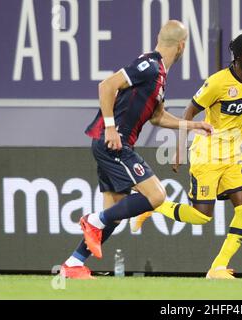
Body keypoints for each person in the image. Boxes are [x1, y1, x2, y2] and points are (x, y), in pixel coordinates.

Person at [59, 20, 213, 279]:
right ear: (182, 45)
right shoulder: (150, 66)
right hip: (115, 143)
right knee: (157, 195)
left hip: (110, 143)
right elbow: (106, 86)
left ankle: (73, 263)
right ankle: (93, 220)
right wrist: (110, 127)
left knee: (115, 214)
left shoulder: (159, 74)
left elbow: (158, 117)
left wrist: (192, 124)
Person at [136, 33, 242, 279]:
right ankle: (154, 205)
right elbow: (189, 111)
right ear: (238, 56)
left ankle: (217, 268)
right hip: (207, 153)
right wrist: (179, 148)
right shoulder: (217, 83)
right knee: (201, 216)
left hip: (232, 155)